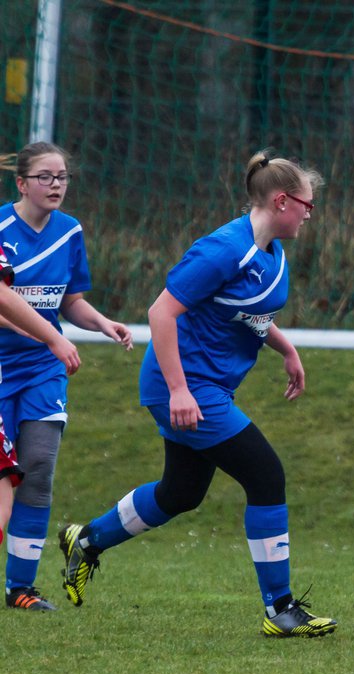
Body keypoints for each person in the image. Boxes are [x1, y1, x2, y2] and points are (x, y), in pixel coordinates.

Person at [58, 150, 336, 637]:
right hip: (185, 388)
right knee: (266, 474)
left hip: (207, 387)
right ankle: (281, 610)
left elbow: (243, 313)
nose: (311, 213)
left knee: (181, 493)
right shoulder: (222, 250)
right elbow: (161, 314)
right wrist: (180, 389)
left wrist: (285, 348)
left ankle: (88, 540)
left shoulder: (271, 251)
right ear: (281, 200)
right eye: (307, 204)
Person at [0, 143, 132, 613]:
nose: (56, 185)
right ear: (21, 183)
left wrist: (102, 322)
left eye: (63, 177)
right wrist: (43, 333)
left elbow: (69, 301)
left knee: (37, 472)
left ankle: (21, 588)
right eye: (45, 177)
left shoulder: (70, 231)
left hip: (42, 371)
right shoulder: (1, 229)